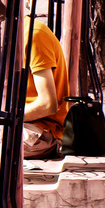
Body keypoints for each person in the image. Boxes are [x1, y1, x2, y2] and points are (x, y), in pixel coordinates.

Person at [21, 15, 70, 157]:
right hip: (22, 123)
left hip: (42, 130)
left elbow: (47, 104)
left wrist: (7, 117)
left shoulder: (34, 36)